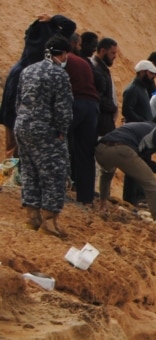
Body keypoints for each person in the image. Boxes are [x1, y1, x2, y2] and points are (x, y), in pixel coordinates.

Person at [15, 34, 73, 237]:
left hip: (22, 126)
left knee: (30, 171)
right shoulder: (59, 75)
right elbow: (63, 109)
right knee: (53, 174)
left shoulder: (28, 70)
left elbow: (19, 100)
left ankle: (32, 218)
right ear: (64, 54)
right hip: (45, 130)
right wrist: (61, 132)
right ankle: (49, 221)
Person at [2, 13, 76, 159]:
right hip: (28, 118)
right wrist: (54, 19)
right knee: (24, 154)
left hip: (13, 105)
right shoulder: (47, 54)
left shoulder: (30, 42)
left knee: (11, 151)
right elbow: (70, 26)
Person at [65, 33, 100, 206]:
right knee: (86, 153)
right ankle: (86, 198)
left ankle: (58, 189)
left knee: (57, 142)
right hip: (92, 106)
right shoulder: (84, 62)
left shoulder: (66, 58)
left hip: (76, 102)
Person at [122, 60, 156, 206]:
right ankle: (131, 198)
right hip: (135, 134)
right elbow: (127, 110)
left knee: (141, 164)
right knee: (133, 165)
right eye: (151, 73)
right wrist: (143, 123)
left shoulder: (143, 89)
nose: (153, 77)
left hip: (142, 134)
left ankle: (138, 196)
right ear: (143, 72)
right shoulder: (132, 89)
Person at [90, 37, 118, 137]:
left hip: (105, 122)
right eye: (112, 53)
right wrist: (112, 107)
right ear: (102, 51)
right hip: (100, 124)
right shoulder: (96, 69)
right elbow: (98, 96)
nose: (115, 56)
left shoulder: (102, 68)